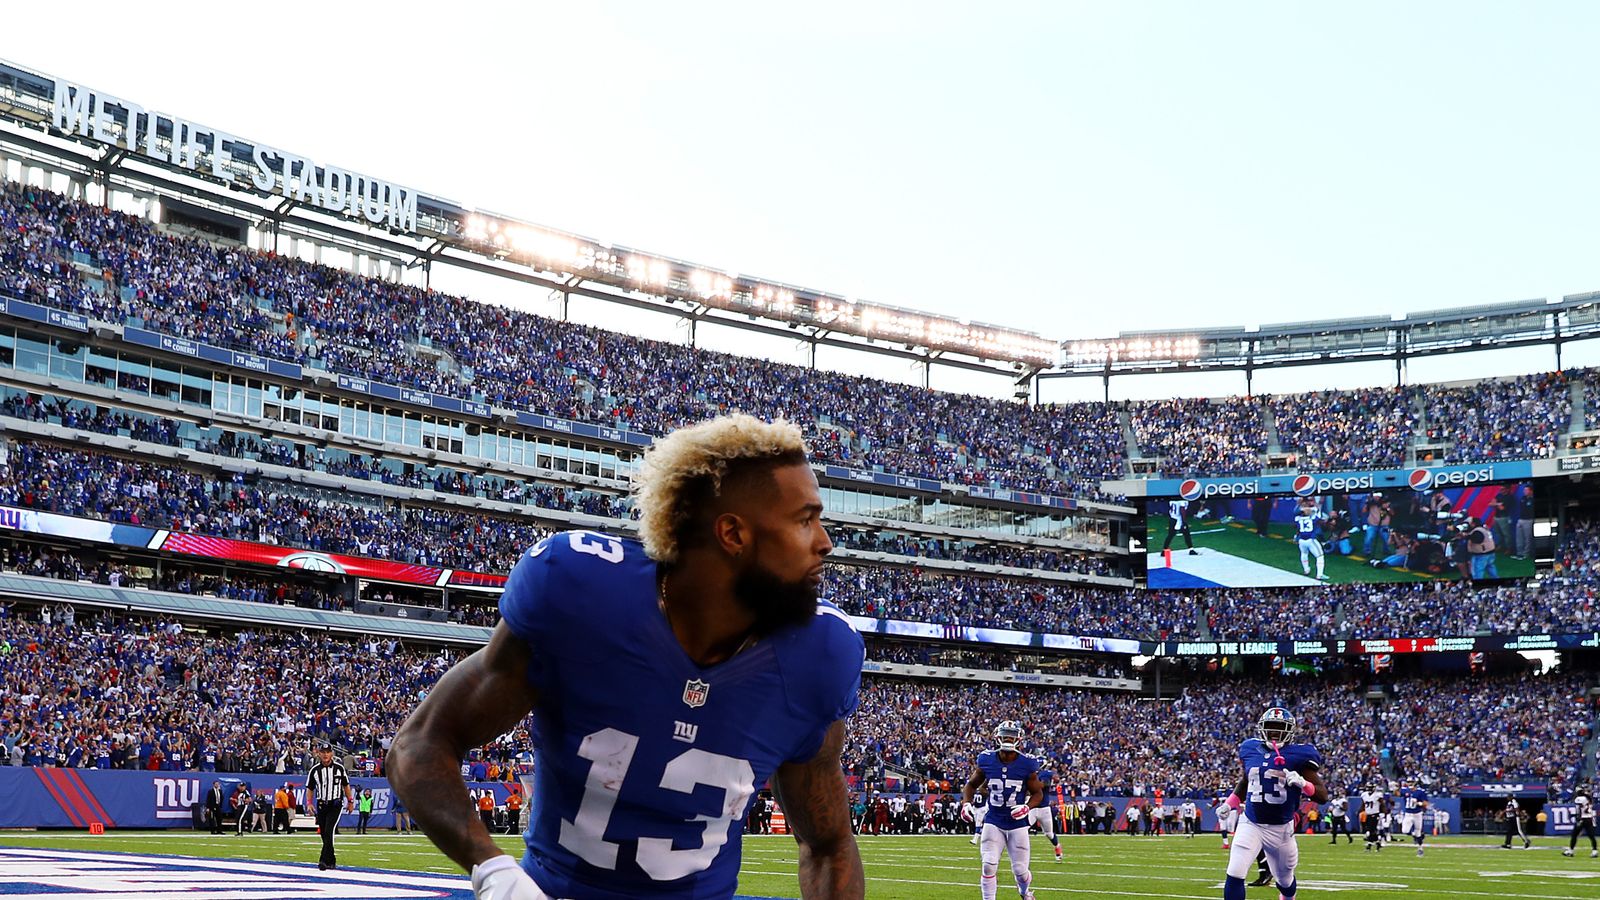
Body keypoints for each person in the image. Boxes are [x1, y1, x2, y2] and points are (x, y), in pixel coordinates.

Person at [388, 415, 866, 900]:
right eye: (805, 520)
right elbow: (421, 744)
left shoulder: (820, 655)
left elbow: (829, 844)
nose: (824, 542)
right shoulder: (579, 594)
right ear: (733, 534)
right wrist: (495, 873)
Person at [1219, 707, 1328, 900]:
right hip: (1251, 823)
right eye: (1270, 727)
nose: (1274, 733)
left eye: (1279, 728)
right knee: (1235, 871)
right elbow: (1247, 780)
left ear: (1290, 730)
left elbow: (1322, 796)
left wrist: (1304, 784)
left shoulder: (1300, 755)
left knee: (1285, 881)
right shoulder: (1250, 749)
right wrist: (1230, 803)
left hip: (1281, 829)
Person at [960, 721, 1043, 900]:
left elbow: (1038, 793)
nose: (1008, 738)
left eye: (1011, 735)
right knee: (988, 865)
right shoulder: (987, 759)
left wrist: (1027, 806)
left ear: (1019, 738)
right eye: (1005, 734)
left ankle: (1025, 893)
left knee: (1020, 871)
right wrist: (966, 803)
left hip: (1017, 823)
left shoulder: (1027, 763)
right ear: (997, 736)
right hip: (994, 820)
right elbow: (971, 785)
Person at [306, 744, 355, 870]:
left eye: (328, 752)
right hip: (322, 804)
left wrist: (350, 801)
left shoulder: (339, 768)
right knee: (324, 833)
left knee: (328, 830)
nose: (325, 754)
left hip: (335, 804)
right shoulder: (315, 770)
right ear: (319, 754)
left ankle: (323, 860)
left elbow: (346, 785)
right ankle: (331, 860)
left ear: (332, 754)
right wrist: (309, 803)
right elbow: (310, 788)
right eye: (323, 752)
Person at [1028, 764, 1063, 862]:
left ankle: (1057, 846)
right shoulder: (1027, 774)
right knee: (1023, 829)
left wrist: (1050, 782)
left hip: (1044, 808)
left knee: (1048, 833)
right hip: (1033, 808)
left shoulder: (1045, 774)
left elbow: (1056, 778)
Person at [1294, 498, 1328, 580]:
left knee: (1304, 554)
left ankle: (1306, 570)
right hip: (1310, 539)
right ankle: (1319, 575)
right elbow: (1319, 517)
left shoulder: (1298, 518)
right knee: (1320, 556)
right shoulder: (1313, 518)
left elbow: (1296, 515)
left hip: (1301, 540)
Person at [1563, 784, 1597, 858]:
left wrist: (1578, 819)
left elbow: (1579, 810)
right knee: (1591, 836)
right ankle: (1594, 851)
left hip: (1583, 819)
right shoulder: (1589, 798)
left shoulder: (1579, 798)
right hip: (1589, 818)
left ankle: (1571, 851)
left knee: (1574, 835)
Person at [1398, 781, 1428, 856]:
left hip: (1417, 814)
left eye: (1411, 782)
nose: (1409, 783)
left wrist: (1419, 803)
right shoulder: (1405, 790)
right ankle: (1413, 834)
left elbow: (1426, 803)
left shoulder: (1420, 792)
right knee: (1404, 830)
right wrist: (1395, 788)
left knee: (1418, 832)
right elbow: (1397, 794)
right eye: (1408, 782)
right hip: (1408, 814)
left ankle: (1420, 848)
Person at [1360, 782, 1384, 851]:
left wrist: (1383, 813)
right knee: (1371, 830)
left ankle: (1369, 845)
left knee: (1371, 830)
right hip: (1368, 814)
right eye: (1368, 787)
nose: (1369, 789)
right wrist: (1359, 811)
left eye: (1370, 787)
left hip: (1375, 814)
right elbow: (1363, 804)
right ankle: (1378, 843)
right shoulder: (1364, 795)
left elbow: (1382, 804)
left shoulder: (1377, 795)